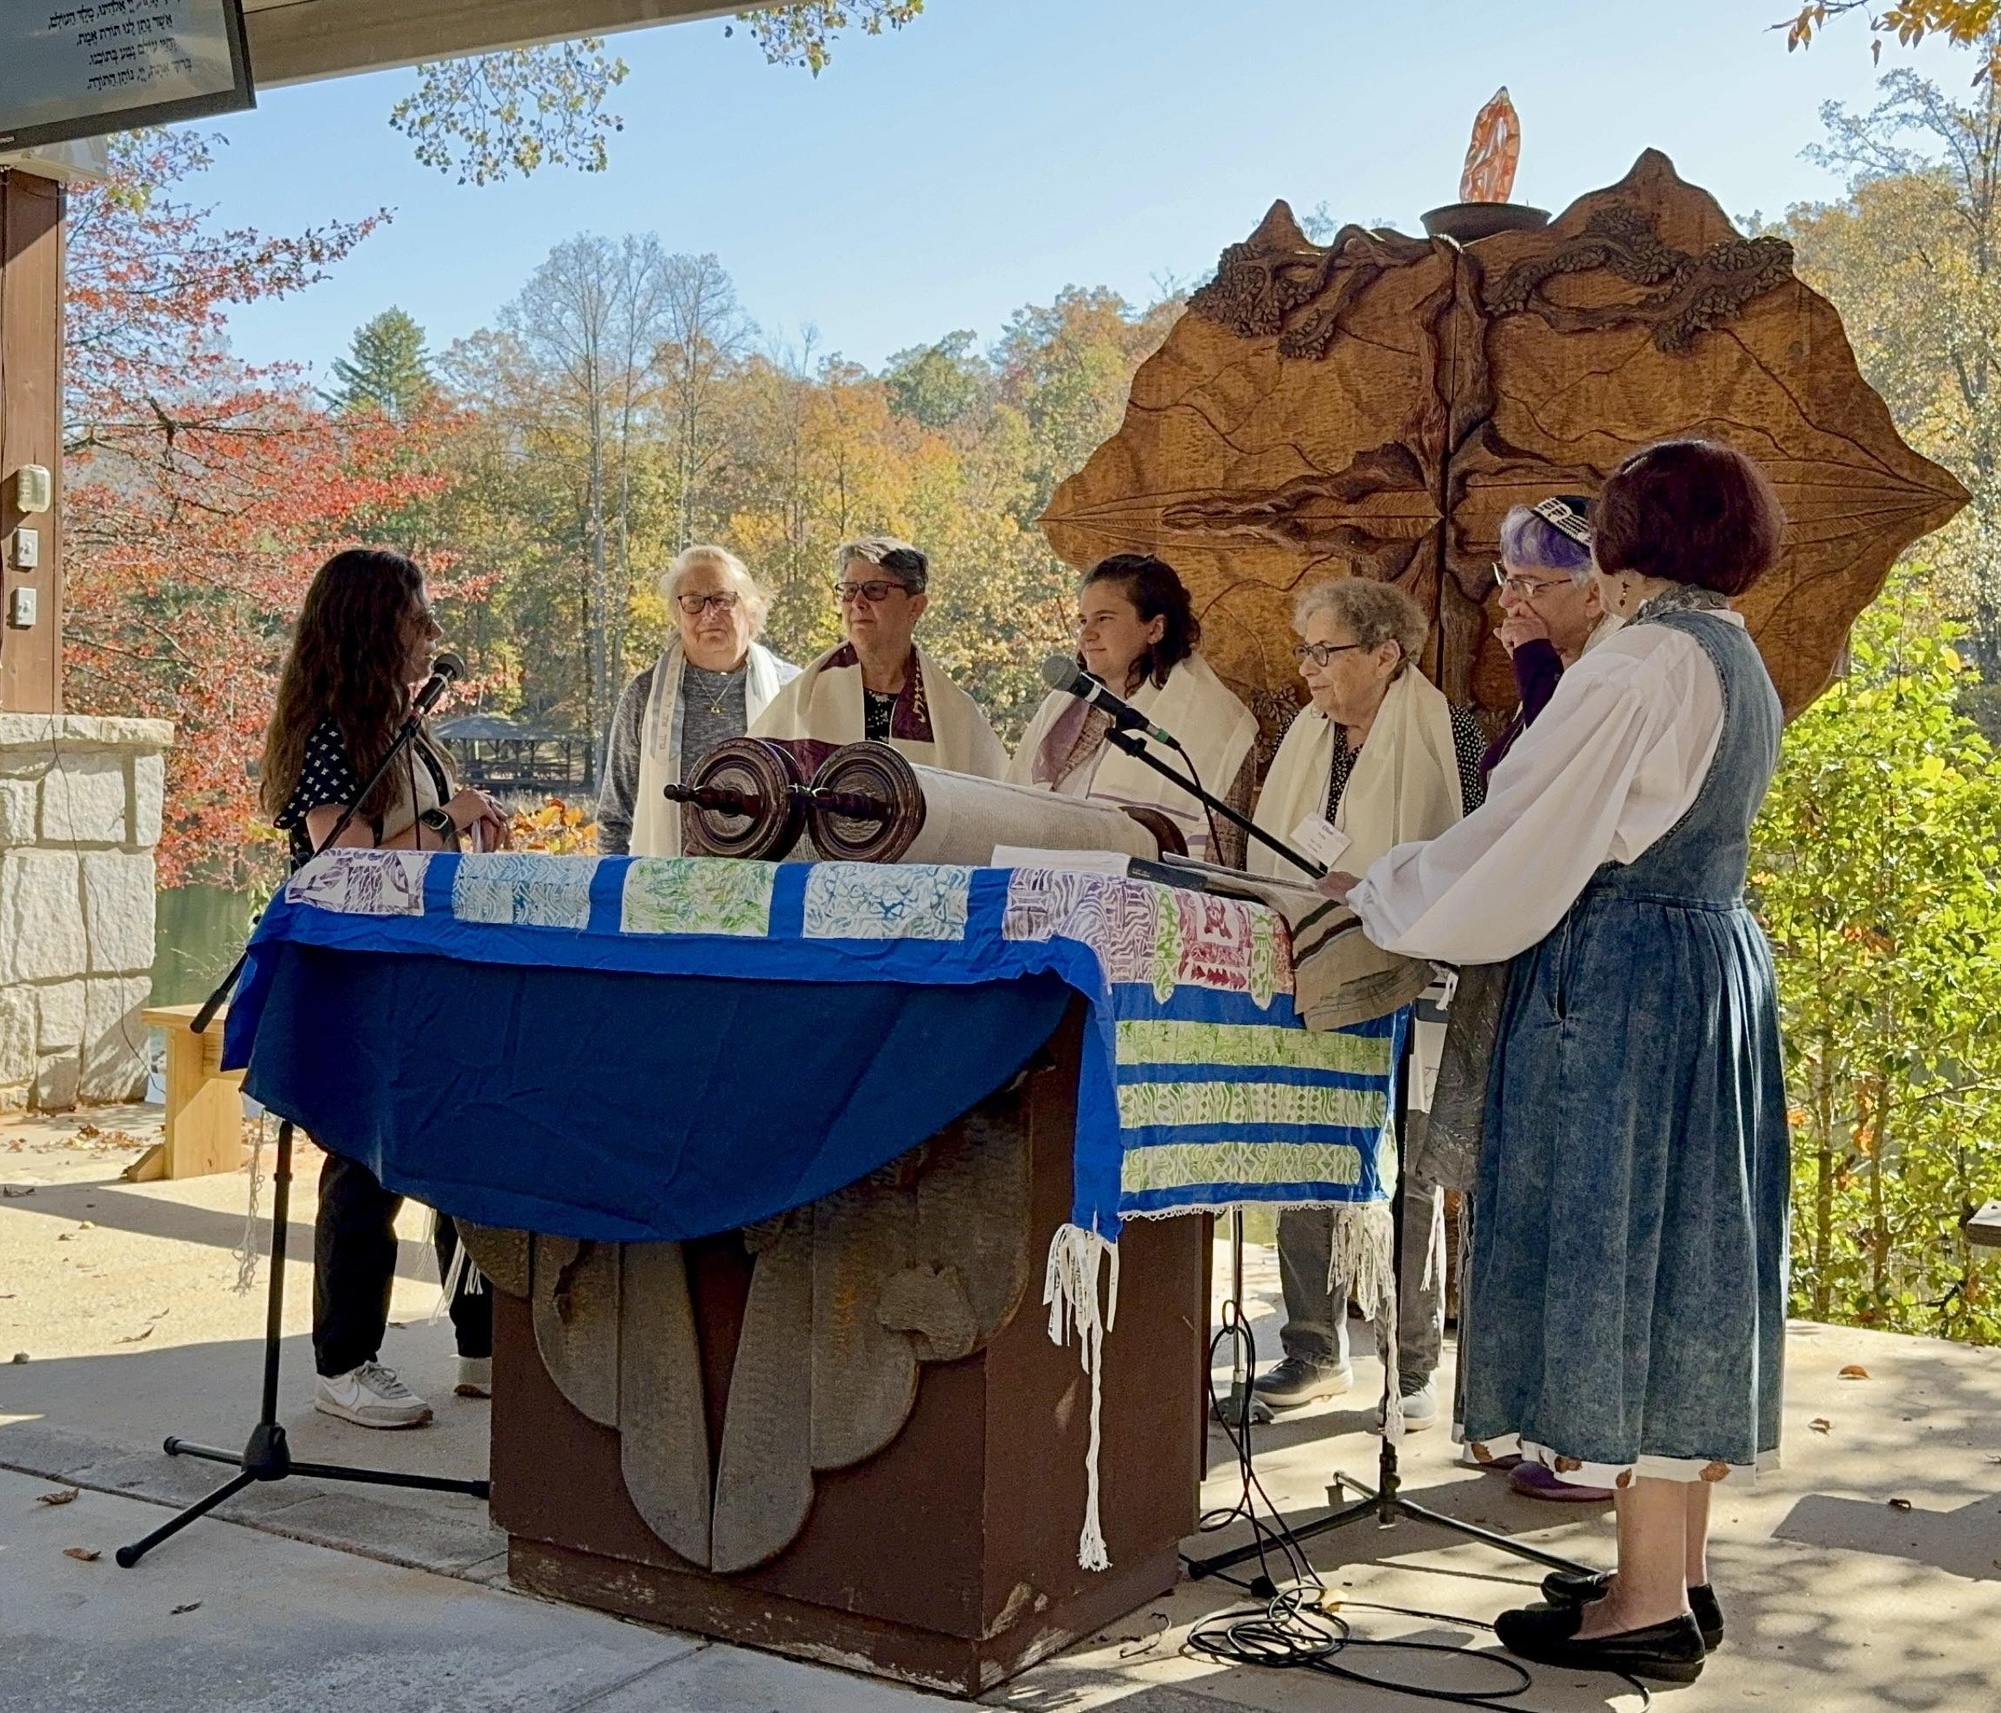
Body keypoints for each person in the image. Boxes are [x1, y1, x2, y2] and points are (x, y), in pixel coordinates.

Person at [1328, 439, 1791, 1684]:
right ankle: (1676, 1574)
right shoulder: (1733, 654)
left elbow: (1527, 837)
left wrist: (1381, 891)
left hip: (1626, 989)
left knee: (1619, 1254)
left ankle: (1641, 1604)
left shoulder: (1641, 660)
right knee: (1682, 1257)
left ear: (1629, 542)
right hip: (1708, 974)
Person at [260, 548, 509, 1428]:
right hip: (364, 980)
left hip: (432, 971)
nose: (429, 635)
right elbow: (344, 862)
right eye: (416, 618)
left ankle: (480, 1341)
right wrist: (447, 816)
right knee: (369, 1163)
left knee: (461, 1151)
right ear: (372, 627)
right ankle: (345, 1359)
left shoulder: (406, 728)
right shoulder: (335, 731)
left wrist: (465, 811)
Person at [1244, 577, 1486, 1426]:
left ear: (1385, 654)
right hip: (1312, 966)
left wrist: (1382, 882)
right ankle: (1312, 1348)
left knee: (1406, 1172)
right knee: (1302, 1150)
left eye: (1326, 650)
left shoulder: (1447, 731)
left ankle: (1409, 1363)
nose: (1308, 669)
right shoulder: (1305, 733)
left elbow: (1472, 848)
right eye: (1303, 650)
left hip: (1414, 972)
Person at [1006, 553, 1258, 864]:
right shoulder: (1064, 704)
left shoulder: (1219, 726)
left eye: (1104, 618)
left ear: (1155, 628)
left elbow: (1221, 863)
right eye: (1083, 620)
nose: (1086, 635)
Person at [597, 545, 800, 857]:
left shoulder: (793, 689)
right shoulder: (644, 693)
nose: (708, 614)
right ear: (678, 614)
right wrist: (616, 892)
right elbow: (614, 815)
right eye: (693, 602)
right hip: (665, 890)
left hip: (767, 887)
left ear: (751, 608)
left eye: (722, 599)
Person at [750, 537, 1009, 778]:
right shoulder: (801, 699)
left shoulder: (955, 713)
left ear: (915, 606)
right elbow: (752, 782)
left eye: (875, 590)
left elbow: (994, 806)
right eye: (849, 590)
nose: (858, 602)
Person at [1482, 494, 1620, 781]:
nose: (1505, 600)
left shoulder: (1614, 674)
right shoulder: (1561, 658)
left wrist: (1536, 664)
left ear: (1594, 595)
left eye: (1527, 584)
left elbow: (1557, 773)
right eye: (1506, 578)